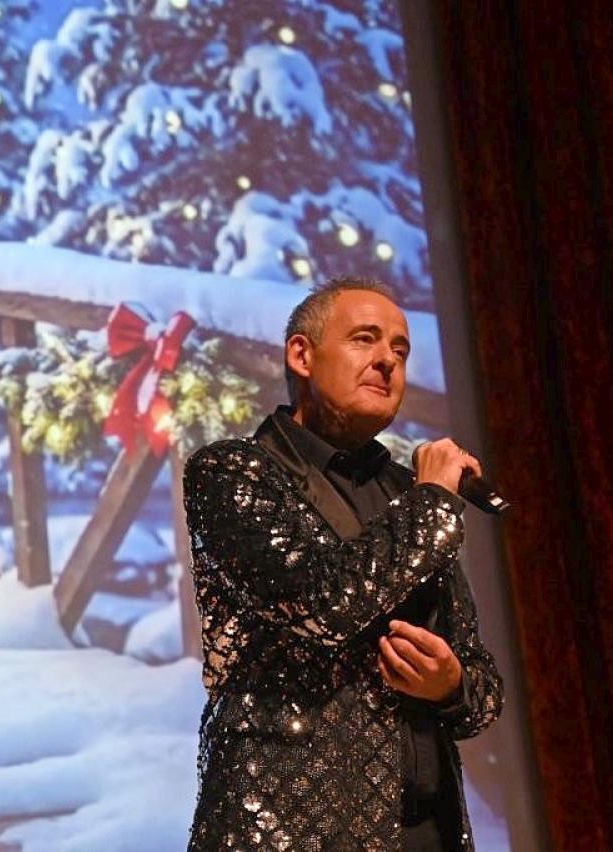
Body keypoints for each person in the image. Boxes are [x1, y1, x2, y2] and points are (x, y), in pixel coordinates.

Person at [182, 276, 503, 851]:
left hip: (425, 831)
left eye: (400, 349)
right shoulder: (233, 472)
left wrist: (451, 685)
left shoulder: (406, 495)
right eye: (365, 339)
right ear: (302, 355)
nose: (387, 360)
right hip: (289, 833)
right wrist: (433, 500)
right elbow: (321, 604)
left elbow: (482, 688)